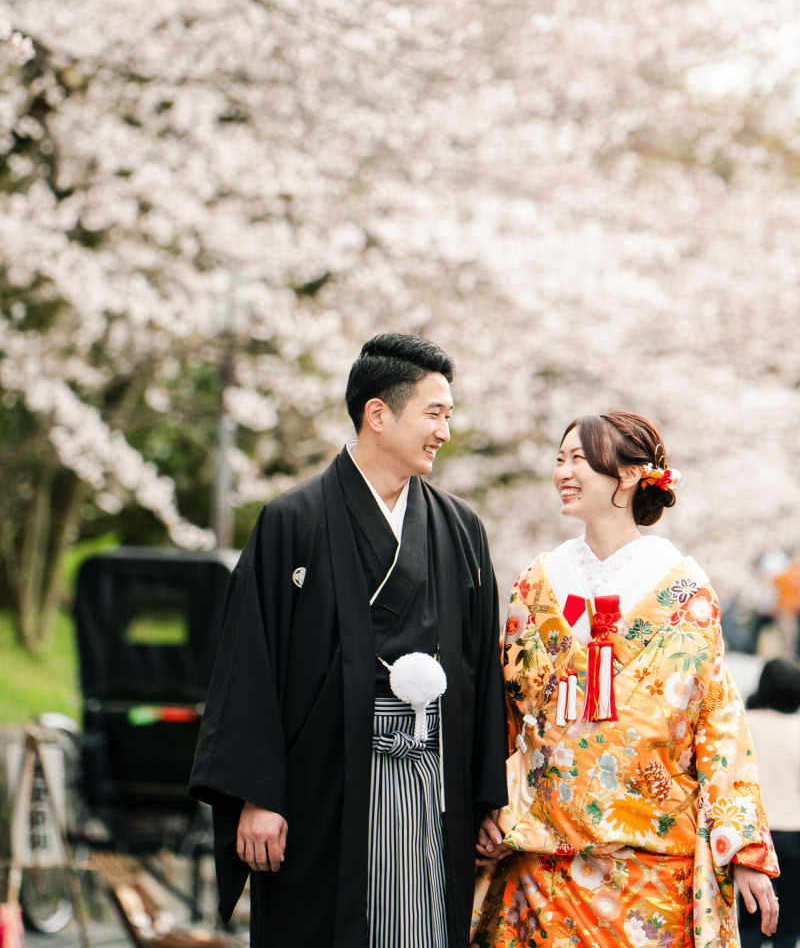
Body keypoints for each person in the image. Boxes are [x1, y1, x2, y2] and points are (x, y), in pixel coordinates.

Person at [190, 333, 508, 948]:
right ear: (378, 414)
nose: (445, 431)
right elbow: (249, 664)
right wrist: (257, 796)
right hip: (321, 786)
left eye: (448, 415)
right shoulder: (293, 520)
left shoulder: (460, 527)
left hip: (433, 783)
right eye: (434, 414)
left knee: (423, 928)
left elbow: (480, 672)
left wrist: (486, 798)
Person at [473, 411, 779, 948]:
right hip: (543, 859)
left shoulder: (684, 591)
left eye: (579, 459)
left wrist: (744, 848)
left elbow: (718, 721)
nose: (563, 472)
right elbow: (502, 708)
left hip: (653, 865)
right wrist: (486, 806)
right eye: (559, 458)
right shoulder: (537, 581)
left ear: (633, 474)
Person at [739, 658, 800, 948]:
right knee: (789, 923)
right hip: (795, 833)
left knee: (751, 918)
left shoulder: (745, 723)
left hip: (756, 833)